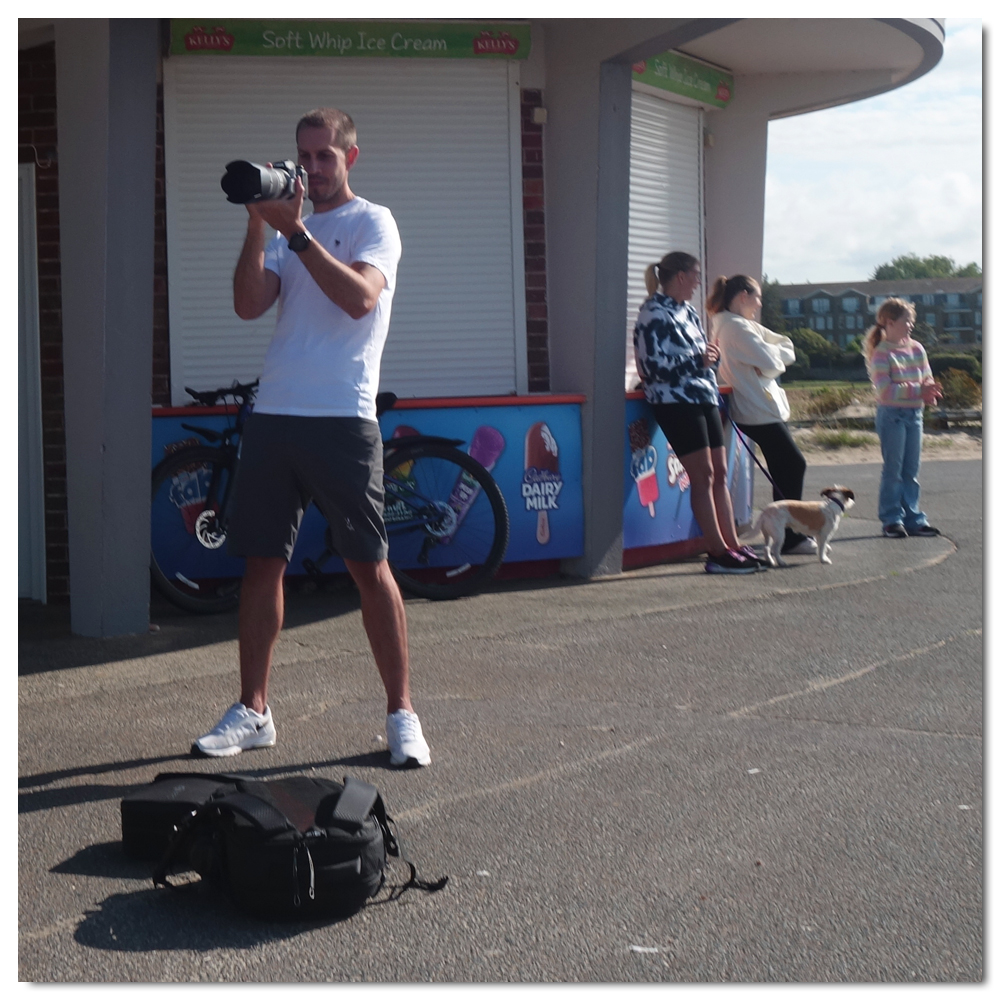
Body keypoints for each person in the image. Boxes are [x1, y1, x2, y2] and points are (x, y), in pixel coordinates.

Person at [192, 107, 431, 767]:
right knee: (261, 562)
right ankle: (254, 710)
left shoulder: (372, 222)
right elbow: (248, 304)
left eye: (325, 155)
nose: (313, 168)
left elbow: (359, 299)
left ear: (351, 158)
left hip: (342, 417)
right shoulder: (283, 225)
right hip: (276, 416)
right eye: (304, 155)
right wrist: (255, 221)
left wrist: (296, 234)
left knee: (368, 566)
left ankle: (402, 714)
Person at [633, 251, 763, 574]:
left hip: (704, 396)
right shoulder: (652, 313)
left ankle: (732, 544)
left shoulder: (688, 311)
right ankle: (716, 552)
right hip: (675, 402)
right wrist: (697, 362)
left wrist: (711, 358)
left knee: (720, 471)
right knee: (702, 474)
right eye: (694, 276)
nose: (697, 284)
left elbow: (704, 354)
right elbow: (651, 367)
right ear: (680, 277)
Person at [707, 274, 814, 556]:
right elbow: (773, 359)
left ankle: (785, 534)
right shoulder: (738, 329)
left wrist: (769, 362)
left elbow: (785, 347)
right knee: (793, 464)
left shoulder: (740, 326)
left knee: (784, 467)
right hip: (757, 409)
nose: (758, 304)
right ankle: (789, 536)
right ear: (743, 295)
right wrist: (770, 362)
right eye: (756, 298)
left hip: (758, 407)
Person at [863, 297, 943, 539]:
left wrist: (930, 392)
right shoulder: (881, 353)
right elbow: (885, 390)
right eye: (907, 321)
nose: (911, 326)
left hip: (914, 414)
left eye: (912, 322)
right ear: (889, 322)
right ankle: (891, 519)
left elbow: (926, 377)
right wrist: (919, 390)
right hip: (892, 416)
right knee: (894, 470)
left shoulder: (917, 348)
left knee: (911, 470)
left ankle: (913, 519)